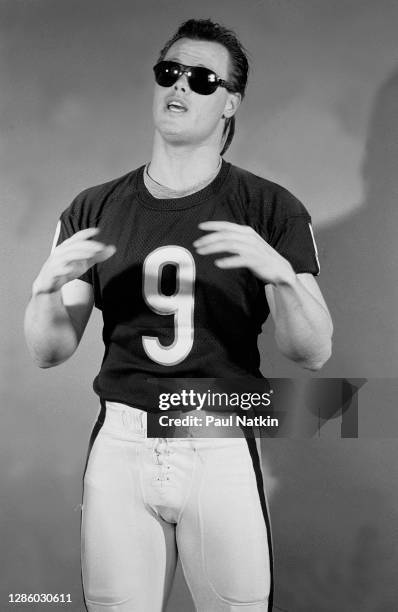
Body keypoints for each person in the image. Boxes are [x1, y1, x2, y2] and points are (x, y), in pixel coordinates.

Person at [24, 18, 333, 612]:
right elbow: (48, 350)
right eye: (170, 72)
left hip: (216, 434)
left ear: (230, 103)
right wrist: (42, 292)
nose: (181, 87)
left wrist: (279, 277)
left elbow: (313, 349)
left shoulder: (269, 207)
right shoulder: (94, 207)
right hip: (120, 440)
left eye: (202, 78)